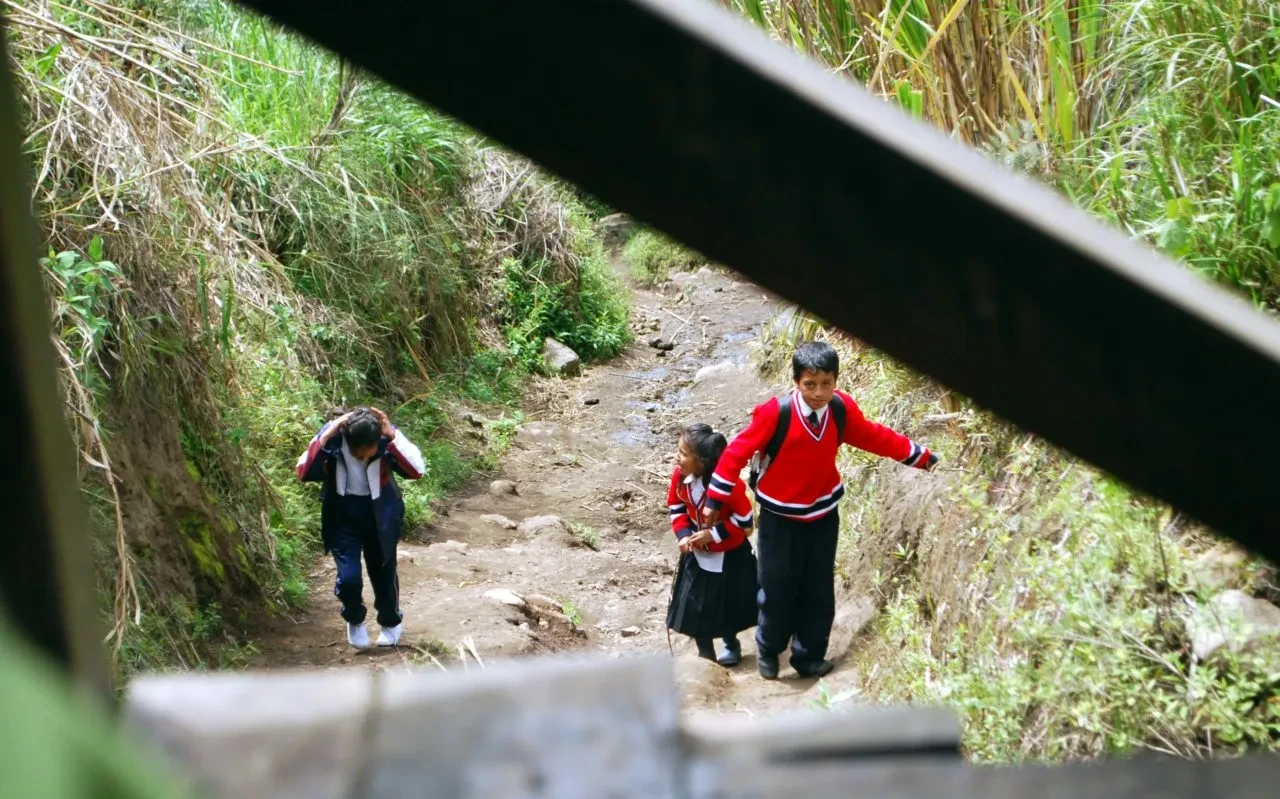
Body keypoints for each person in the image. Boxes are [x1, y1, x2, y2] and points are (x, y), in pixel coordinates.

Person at [703, 341, 938, 680]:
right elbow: (735, 454)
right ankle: (769, 649)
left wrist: (920, 456)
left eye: (826, 383)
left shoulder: (840, 410)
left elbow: (873, 436)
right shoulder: (775, 413)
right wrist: (714, 500)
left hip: (823, 515)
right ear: (796, 382)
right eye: (810, 384)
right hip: (778, 518)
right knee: (776, 586)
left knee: (818, 588)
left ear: (836, 381)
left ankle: (809, 656)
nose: (819, 392)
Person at [296, 406, 425, 650]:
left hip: (382, 513)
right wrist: (326, 433)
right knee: (348, 578)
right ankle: (354, 618)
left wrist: (395, 436)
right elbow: (303, 471)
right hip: (342, 514)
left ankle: (390, 622)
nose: (363, 456)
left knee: (383, 571)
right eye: (358, 452)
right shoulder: (333, 439)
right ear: (347, 440)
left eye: (369, 451)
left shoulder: (387, 437)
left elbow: (417, 470)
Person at [666, 423, 759, 667]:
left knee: (727, 603)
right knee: (697, 606)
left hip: (730, 555)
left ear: (703, 462)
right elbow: (676, 508)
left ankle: (731, 644)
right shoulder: (679, 478)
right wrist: (684, 535)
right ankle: (706, 655)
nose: (677, 457)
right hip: (696, 556)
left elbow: (745, 519)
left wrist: (714, 534)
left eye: (684, 453)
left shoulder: (729, 486)